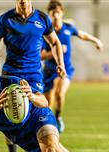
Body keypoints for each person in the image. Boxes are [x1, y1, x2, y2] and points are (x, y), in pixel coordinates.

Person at [0, 0, 66, 152]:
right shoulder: (5, 19)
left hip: (33, 77)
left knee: (32, 116)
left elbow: (55, 43)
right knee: (11, 118)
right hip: (10, 74)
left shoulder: (42, 18)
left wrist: (60, 64)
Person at [42, 0, 103, 133]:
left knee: (59, 92)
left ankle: (58, 117)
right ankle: (49, 123)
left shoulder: (68, 28)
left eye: (58, 12)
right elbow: (41, 55)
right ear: (49, 15)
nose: (56, 15)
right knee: (48, 103)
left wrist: (95, 40)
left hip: (66, 69)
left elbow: (82, 35)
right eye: (53, 13)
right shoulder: (46, 33)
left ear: (62, 13)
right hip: (49, 71)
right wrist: (55, 52)